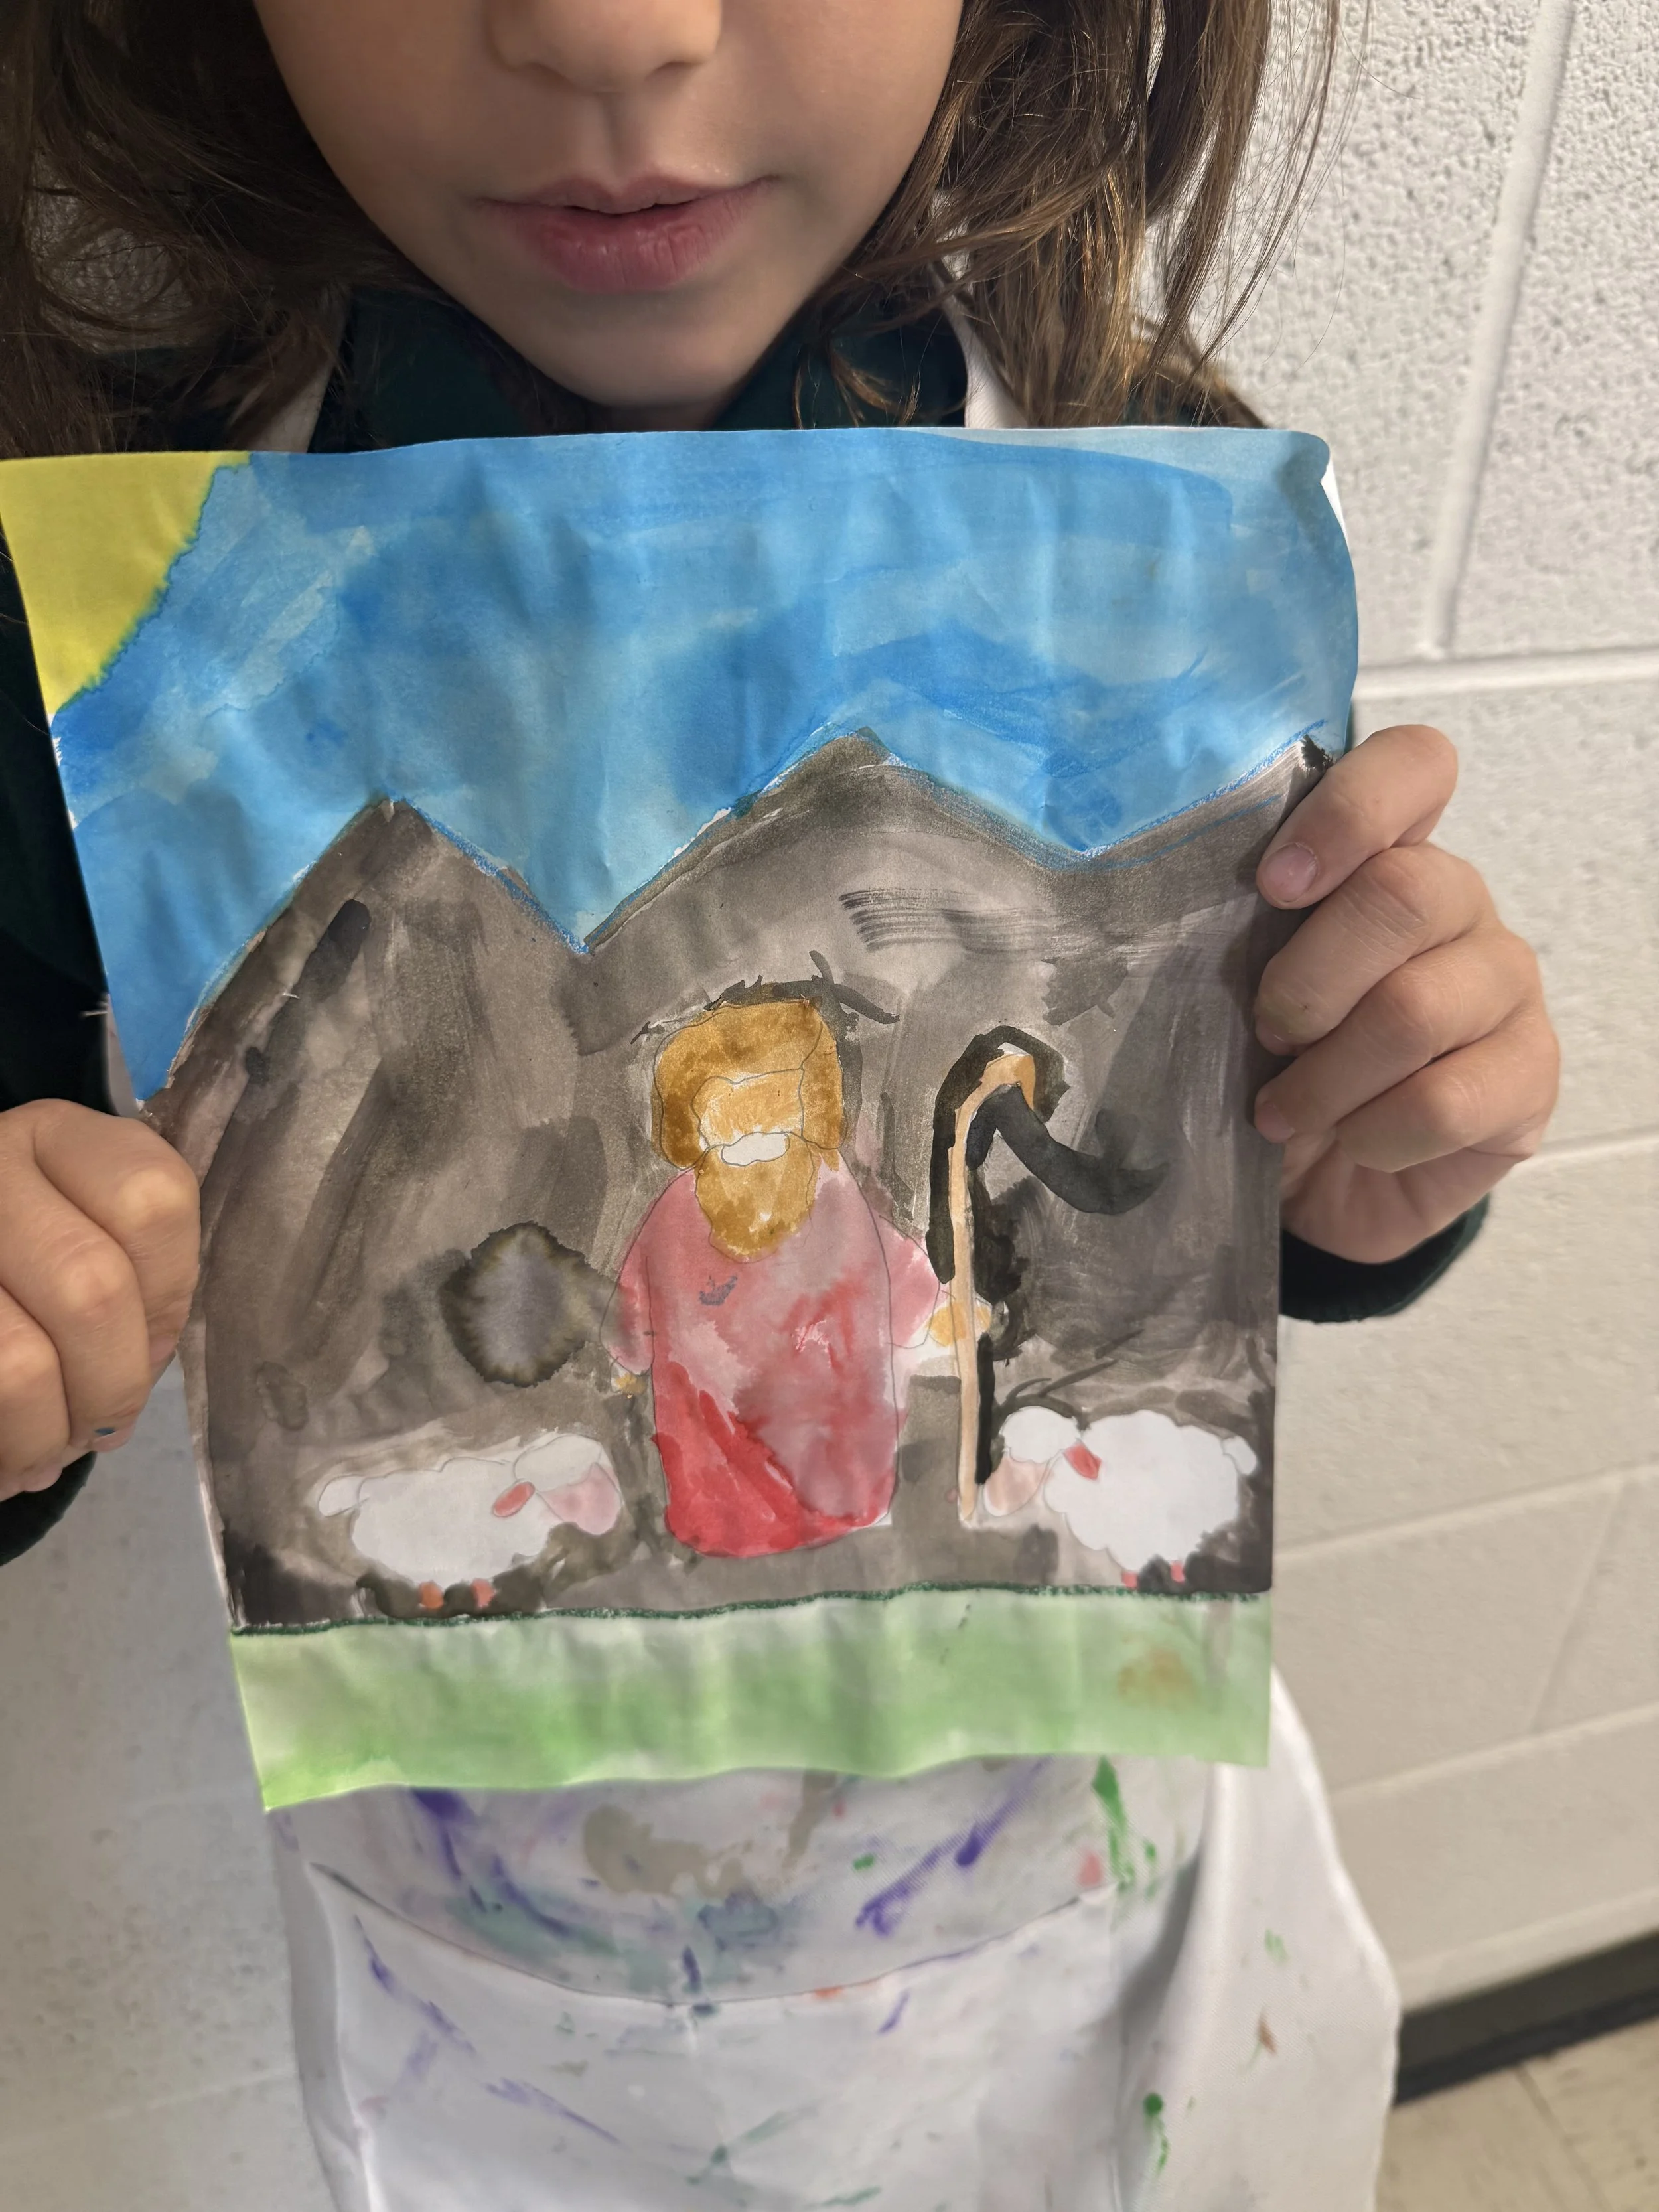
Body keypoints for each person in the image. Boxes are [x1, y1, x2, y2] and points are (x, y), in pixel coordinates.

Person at [0, 2, 1561, 2205]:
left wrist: (1384, 1144)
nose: (608, 23)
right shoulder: (84, 632)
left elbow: (1231, 1190)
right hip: (508, 2000)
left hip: (1081, 1917)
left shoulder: (1138, 500)